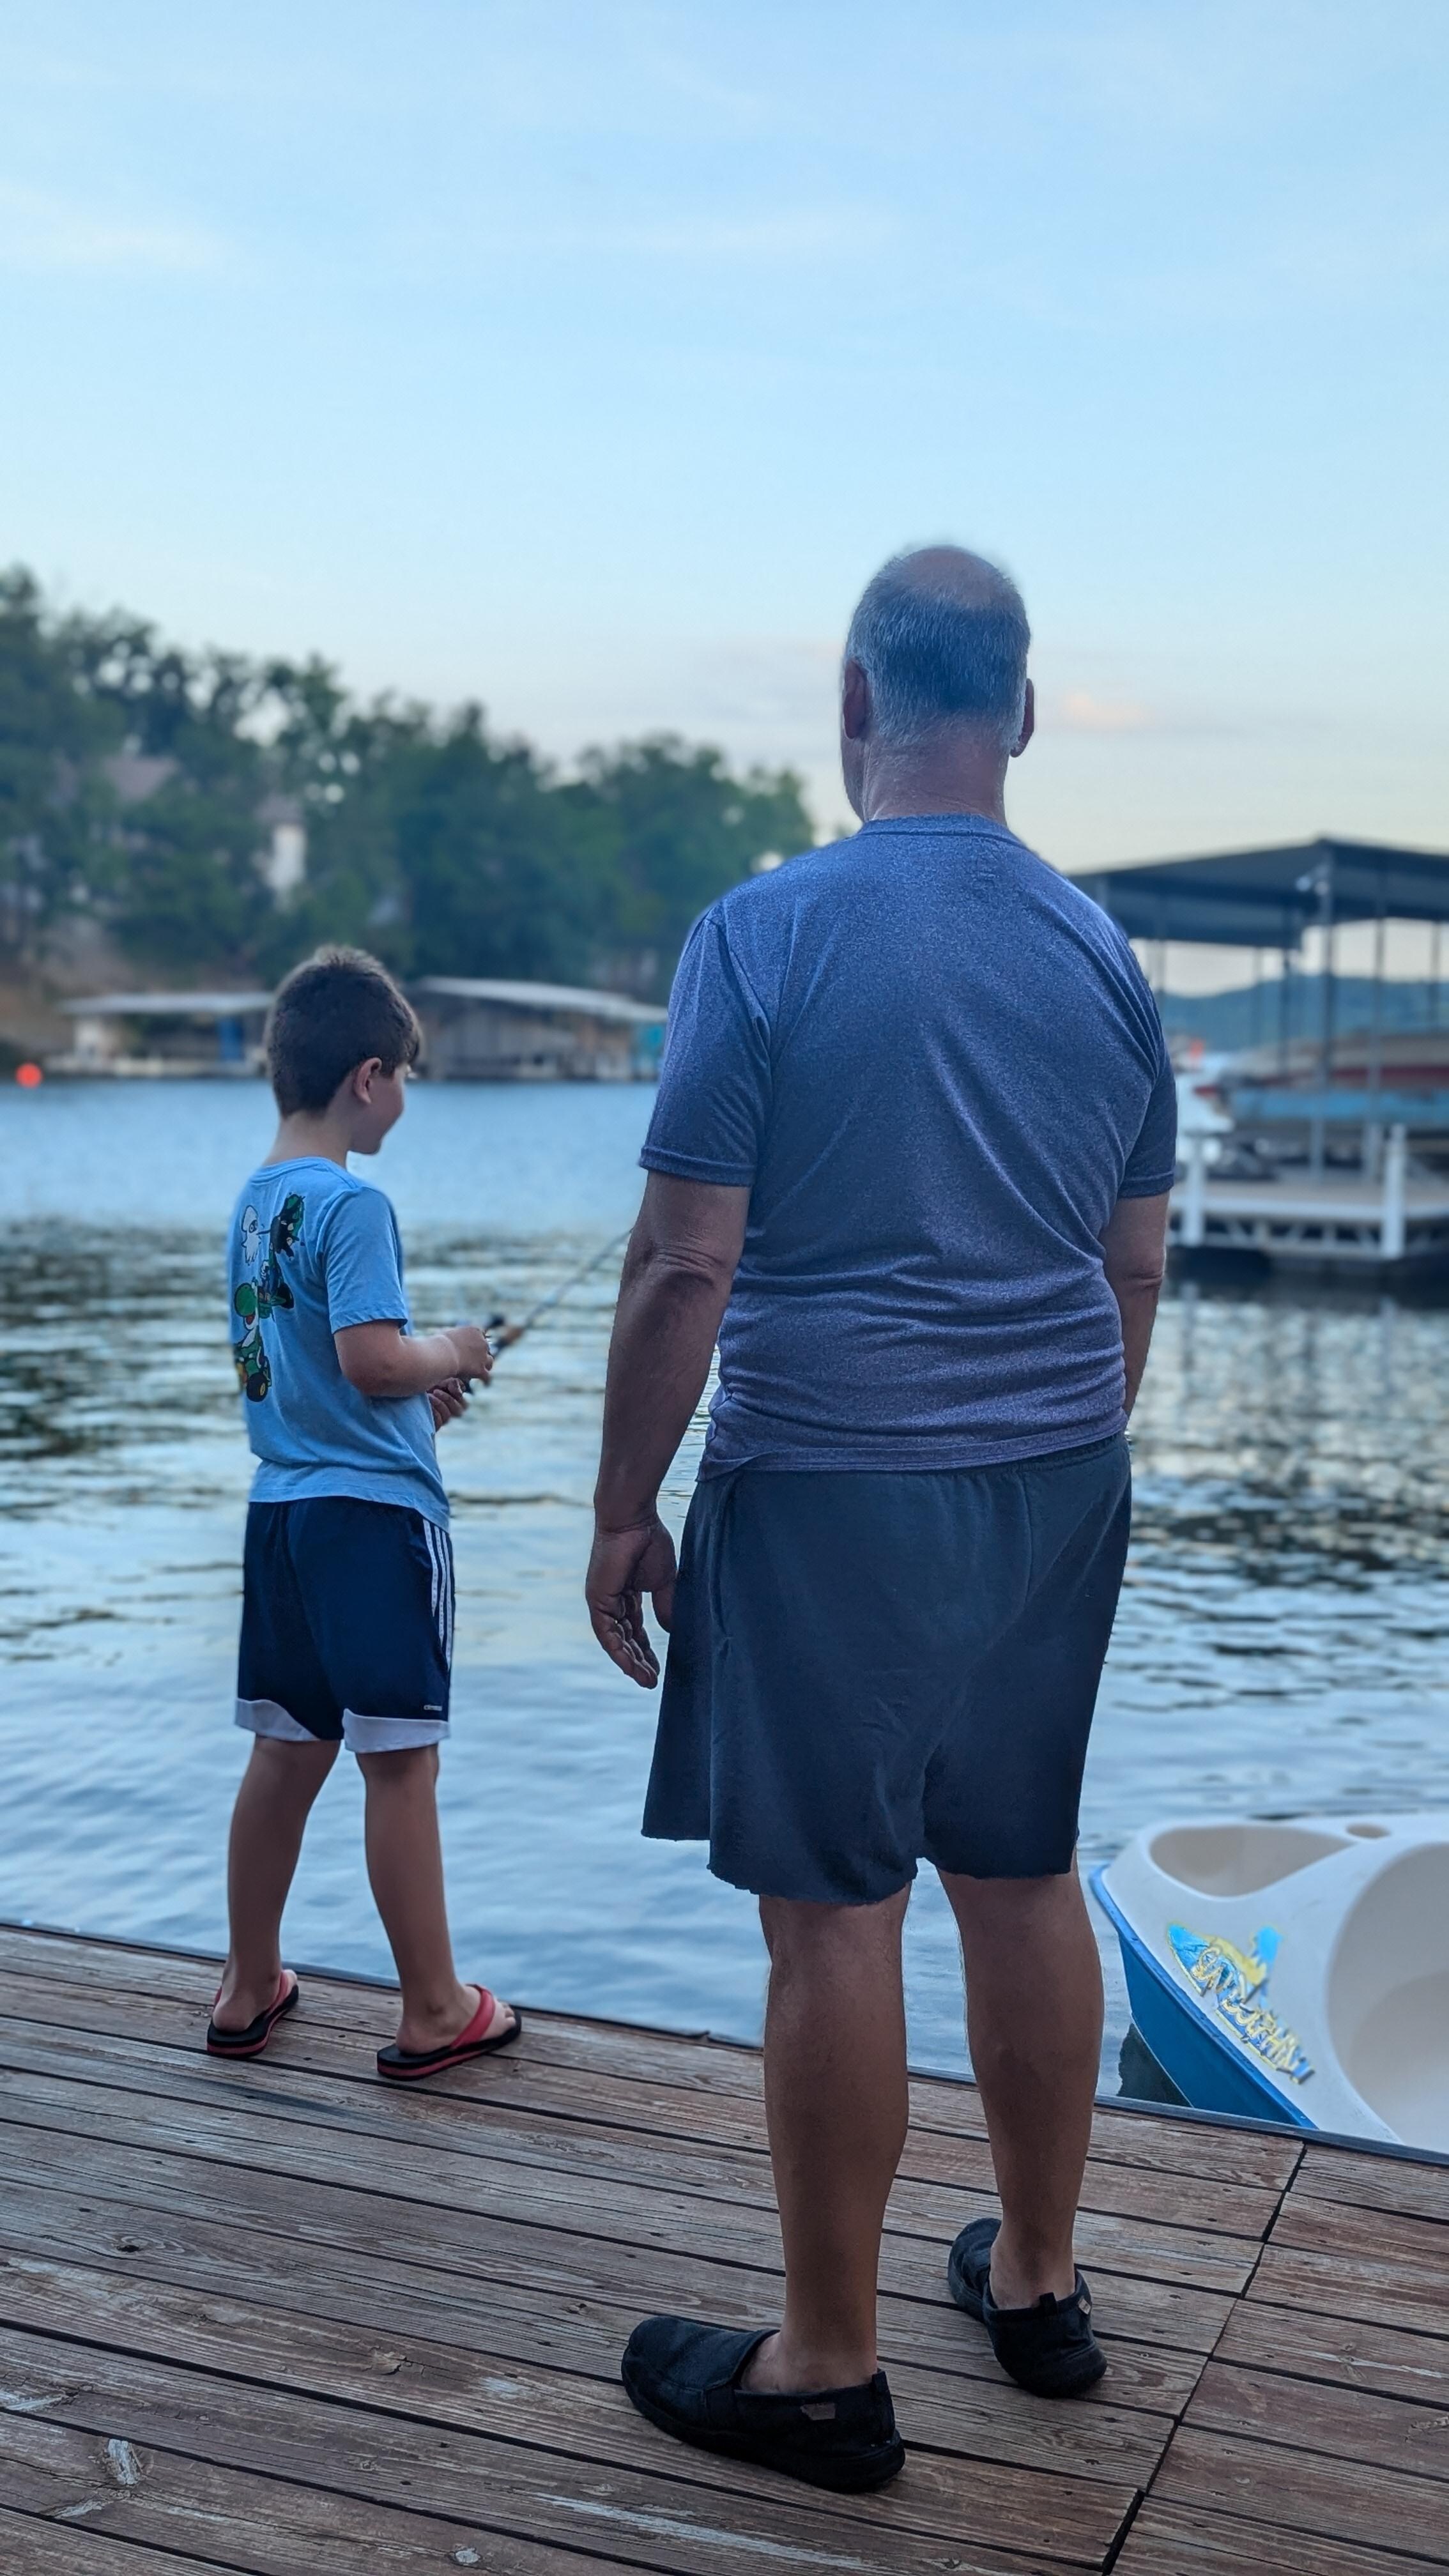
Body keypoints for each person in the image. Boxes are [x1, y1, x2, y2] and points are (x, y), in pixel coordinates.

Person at [586, 548, 1175, 2491]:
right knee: (1019, 1869)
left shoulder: (763, 937)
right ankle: (1035, 2281)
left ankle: (825, 2368)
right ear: (1017, 710)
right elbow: (1134, 1263)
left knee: (834, 1915)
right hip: (1052, 1476)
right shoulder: (1104, 960)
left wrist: (618, 1506)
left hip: (832, 1480)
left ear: (854, 704)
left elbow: (683, 1266)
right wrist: (1060, 1453)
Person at [207, 947, 519, 2081]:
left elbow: (310, 1382)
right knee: (401, 1765)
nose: (408, 1101)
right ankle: (435, 2009)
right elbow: (372, 1357)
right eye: (410, 1080)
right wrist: (458, 1351)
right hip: (375, 1531)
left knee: (285, 1754)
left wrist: (414, 1409)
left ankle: (247, 1986)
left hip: (284, 1516)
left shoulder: (252, 1206)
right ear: (370, 1076)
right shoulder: (351, 1202)